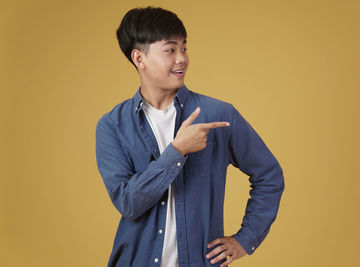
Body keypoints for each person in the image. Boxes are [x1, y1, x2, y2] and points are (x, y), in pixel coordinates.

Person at [95, 6, 285, 267]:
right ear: (140, 59)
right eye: (170, 50)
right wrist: (176, 151)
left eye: (184, 48)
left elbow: (269, 175)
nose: (181, 58)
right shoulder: (113, 126)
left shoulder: (217, 114)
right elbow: (128, 202)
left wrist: (246, 238)